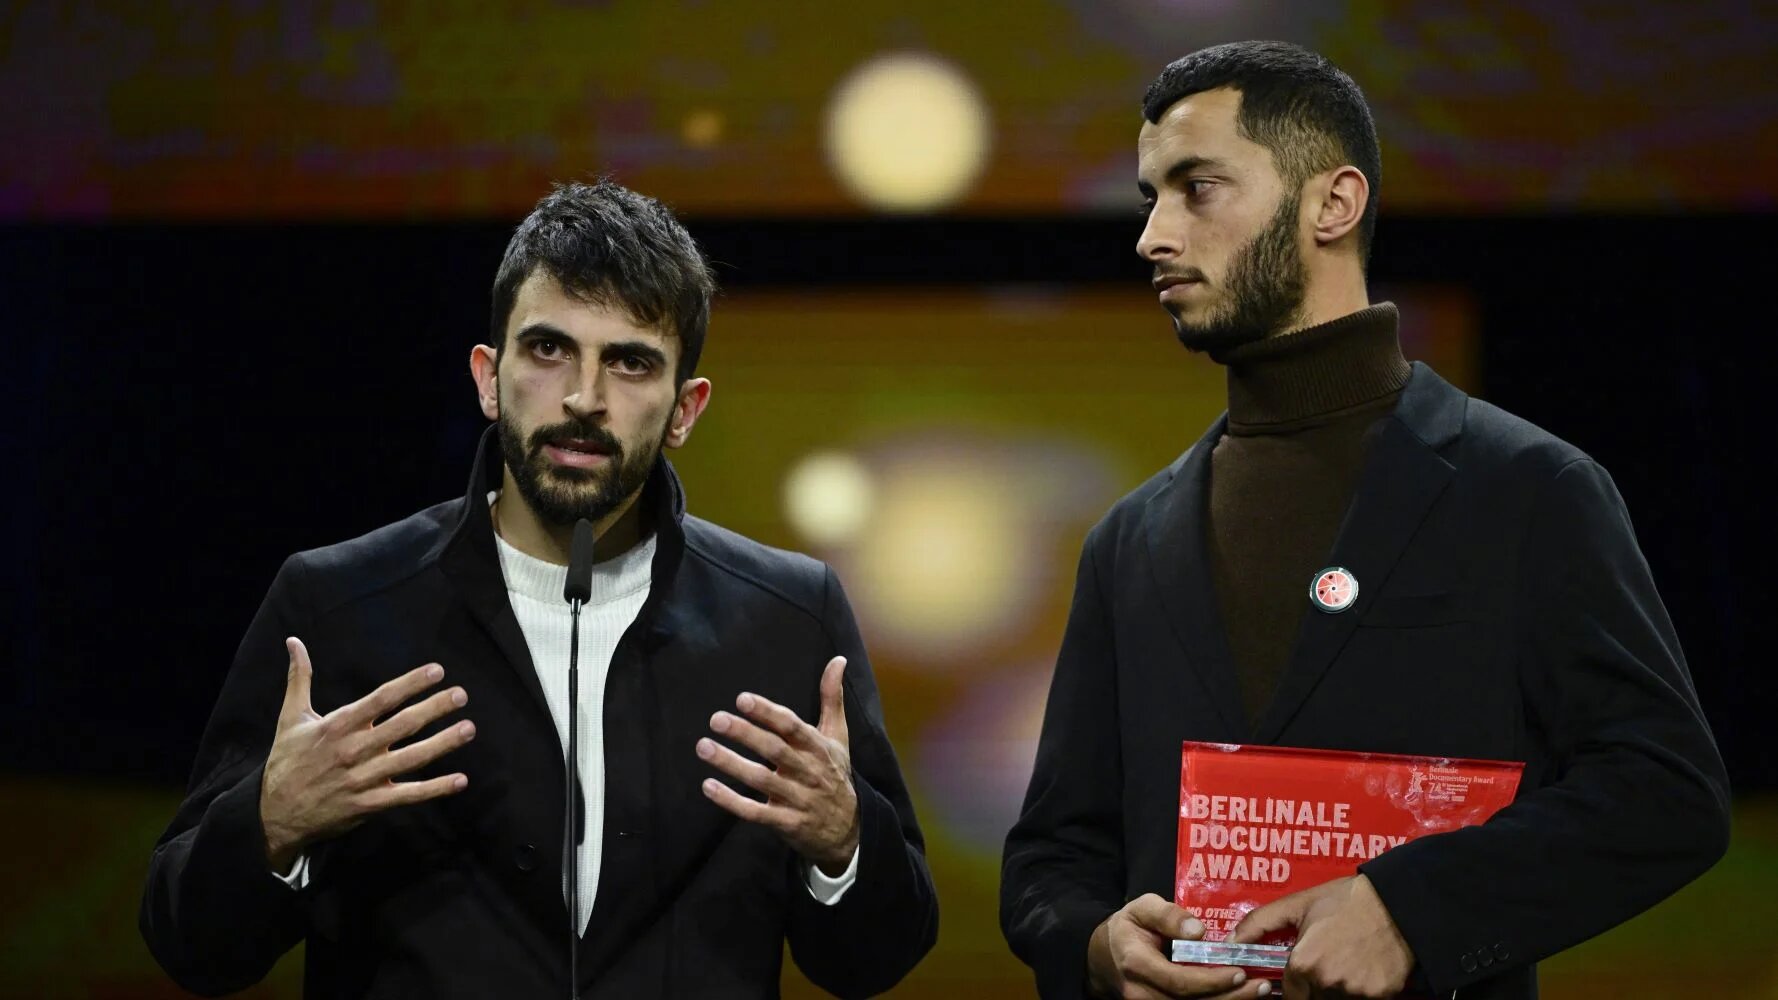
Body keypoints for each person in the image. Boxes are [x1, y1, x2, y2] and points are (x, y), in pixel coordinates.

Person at [1000, 40, 1728, 1000]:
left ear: (1332, 205)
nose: (1153, 236)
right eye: (1150, 197)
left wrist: (1408, 909)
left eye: (1197, 187)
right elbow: (1054, 856)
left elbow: (1664, 793)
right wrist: (1098, 947)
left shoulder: (1528, 489)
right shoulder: (1129, 541)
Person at [140, 179, 938, 999]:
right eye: (549, 350)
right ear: (488, 377)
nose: (585, 398)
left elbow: (878, 959)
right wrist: (271, 826)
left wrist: (844, 844)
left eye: (629, 363)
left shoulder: (790, 618)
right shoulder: (339, 605)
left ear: (684, 410)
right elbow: (192, 948)